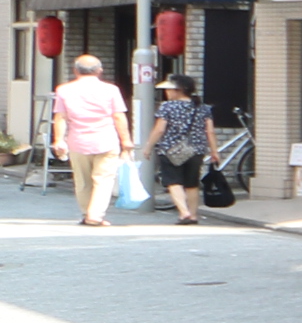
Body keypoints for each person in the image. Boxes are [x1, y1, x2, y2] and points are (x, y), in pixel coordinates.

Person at [51, 53, 133, 228]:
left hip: (78, 142)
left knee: (82, 181)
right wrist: (126, 140)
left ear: (75, 71)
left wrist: (59, 140)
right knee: (103, 180)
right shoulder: (111, 90)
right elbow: (118, 117)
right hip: (106, 141)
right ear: (99, 71)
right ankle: (95, 215)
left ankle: (86, 213)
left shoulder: (63, 90)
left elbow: (61, 117)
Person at [149, 76, 212, 224]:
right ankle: (194, 215)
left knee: (174, 181)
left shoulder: (167, 107)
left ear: (177, 90)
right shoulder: (203, 107)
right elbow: (210, 131)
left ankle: (184, 212)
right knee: (192, 184)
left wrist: (148, 146)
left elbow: (159, 130)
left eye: (168, 89)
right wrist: (214, 151)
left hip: (171, 150)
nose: (166, 92)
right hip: (196, 150)